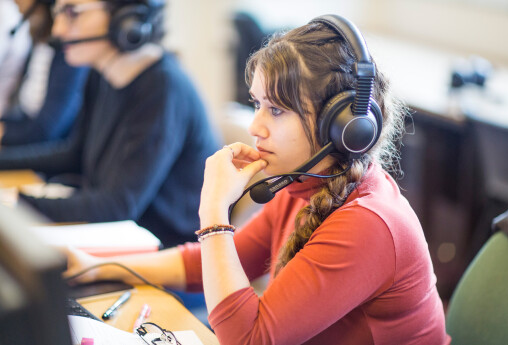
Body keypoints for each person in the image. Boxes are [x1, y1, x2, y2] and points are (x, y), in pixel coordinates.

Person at [63, 15, 450, 344]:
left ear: (345, 128)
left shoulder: (368, 223)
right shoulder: (306, 184)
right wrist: (98, 265)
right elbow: (207, 265)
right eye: (257, 104)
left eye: (277, 111)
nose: (255, 126)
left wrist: (214, 212)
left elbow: (249, 338)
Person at [0, 0, 220, 247]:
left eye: (72, 13)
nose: (58, 30)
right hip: (117, 242)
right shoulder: (101, 72)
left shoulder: (163, 89)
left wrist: (15, 204)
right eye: (58, 14)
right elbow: (74, 154)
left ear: (128, 18)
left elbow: (116, 205)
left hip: (165, 261)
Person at [0, 0, 89, 146]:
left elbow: (46, 130)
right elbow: (25, 115)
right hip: (27, 139)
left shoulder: (70, 53)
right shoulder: (39, 39)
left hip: (45, 152)